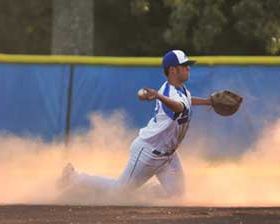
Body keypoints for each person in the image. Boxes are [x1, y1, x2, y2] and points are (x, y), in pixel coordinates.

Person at [58, 50, 214, 198]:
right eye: (184, 66)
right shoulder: (168, 93)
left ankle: (138, 192)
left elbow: (186, 101)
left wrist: (208, 102)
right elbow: (178, 107)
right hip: (148, 152)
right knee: (119, 190)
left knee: (177, 196)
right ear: (173, 70)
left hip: (169, 155)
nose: (188, 68)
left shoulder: (181, 90)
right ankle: (74, 177)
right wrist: (159, 96)